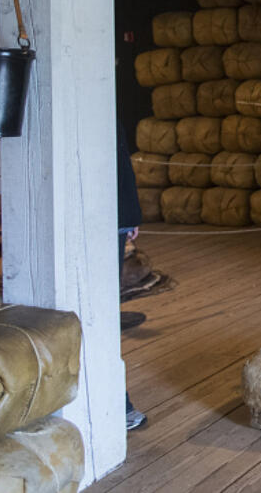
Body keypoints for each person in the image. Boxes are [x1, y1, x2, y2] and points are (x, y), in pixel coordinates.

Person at [116, 122, 148, 431]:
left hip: (113, 214)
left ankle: (118, 403)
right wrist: (128, 215)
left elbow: (119, 156)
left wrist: (128, 216)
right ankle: (117, 405)